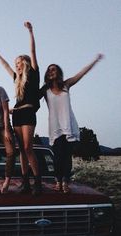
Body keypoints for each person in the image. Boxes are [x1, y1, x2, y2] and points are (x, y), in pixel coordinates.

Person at [39, 54, 104, 193]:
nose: (51, 71)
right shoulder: (45, 90)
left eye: (54, 69)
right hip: (55, 128)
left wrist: (95, 61)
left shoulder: (66, 85)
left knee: (67, 157)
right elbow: (31, 100)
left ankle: (65, 183)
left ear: (58, 73)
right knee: (57, 157)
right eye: (49, 70)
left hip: (69, 126)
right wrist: (15, 110)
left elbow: (82, 73)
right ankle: (58, 182)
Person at [0, 22, 41, 195]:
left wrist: (31, 32)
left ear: (25, 62)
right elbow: (5, 66)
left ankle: (37, 184)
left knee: (28, 148)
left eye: (19, 62)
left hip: (28, 113)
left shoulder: (34, 74)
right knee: (21, 149)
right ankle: (26, 183)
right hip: (17, 115)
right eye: (16, 63)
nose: (17, 65)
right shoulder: (16, 79)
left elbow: (33, 51)